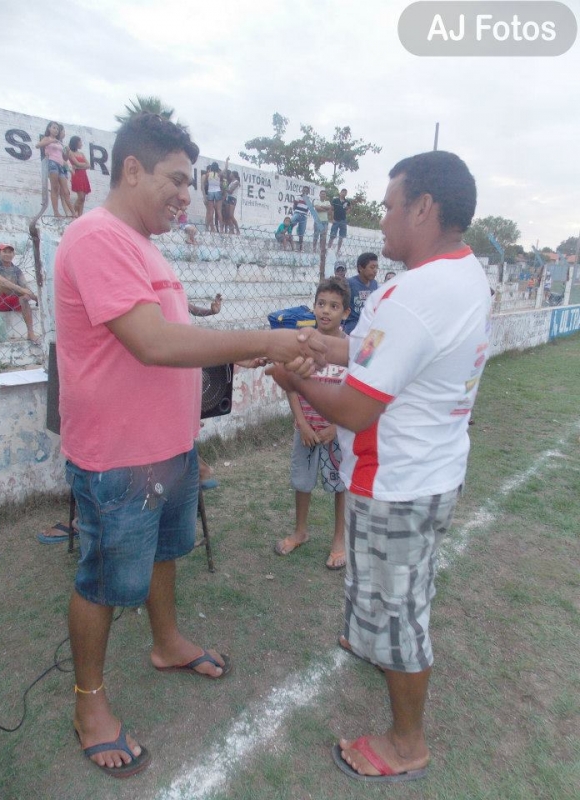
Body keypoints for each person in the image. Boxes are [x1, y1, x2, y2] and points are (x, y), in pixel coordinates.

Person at [54, 111, 325, 778]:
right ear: (133, 169)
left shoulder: (145, 247)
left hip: (167, 447)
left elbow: (176, 345)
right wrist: (263, 340)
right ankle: (89, 701)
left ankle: (167, 642)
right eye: (177, 179)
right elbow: (155, 344)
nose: (188, 195)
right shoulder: (97, 238)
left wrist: (247, 352)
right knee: (103, 581)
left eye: (193, 182)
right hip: (118, 457)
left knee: (168, 553)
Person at [268, 150, 491, 783]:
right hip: (430, 470)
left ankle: (406, 743)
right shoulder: (459, 273)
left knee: (401, 610)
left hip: (397, 480)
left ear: (425, 208)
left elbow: (358, 409)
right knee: (393, 590)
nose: (384, 220)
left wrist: (294, 378)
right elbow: (386, 353)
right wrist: (324, 345)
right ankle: (369, 638)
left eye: (391, 206)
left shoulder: (416, 293)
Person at [274, 278, 350, 570]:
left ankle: (338, 539)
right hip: (305, 430)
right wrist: (301, 423)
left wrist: (338, 428)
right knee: (302, 482)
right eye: (321, 304)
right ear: (314, 306)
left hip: (336, 433)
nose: (326, 311)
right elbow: (291, 386)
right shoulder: (302, 343)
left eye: (334, 306)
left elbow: (355, 392)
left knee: (340, 486)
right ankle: (300, 531)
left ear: (345, 313)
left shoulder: (349, 348)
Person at [0, 244, 40, 343]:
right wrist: (21, 290)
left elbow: (25, 286)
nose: (7, 254)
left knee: (25, 297)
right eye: (4, 251)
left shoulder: (17, 270)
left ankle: (30, 332)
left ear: (13, 254)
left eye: (10, 252)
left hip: (14, 301)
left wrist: (31, 296)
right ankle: (33, 297)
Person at [36, 121, 76, 218]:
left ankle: (73, 213)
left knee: (65, 190)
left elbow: (64, 158)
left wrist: (66, 154)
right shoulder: (47, 138)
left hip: (61, 165)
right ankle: (56, 212)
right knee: (55, 188)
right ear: (49, 128)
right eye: (54, 128)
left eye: (57, 129)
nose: (56, 130)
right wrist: (51, 141)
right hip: (52, 163)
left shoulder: (60, 143)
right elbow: (38, 145)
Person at [343, 252, 379, 334]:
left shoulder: (375, 284)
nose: (375, 271)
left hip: (370, 325)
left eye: (376, 267)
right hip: (354, 326)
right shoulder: (349, 284)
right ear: (360, 268)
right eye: (372, 267)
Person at [68, 136, 92, 217]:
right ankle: (73, 213)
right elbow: (76, 163)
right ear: (76, 143)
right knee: (80, 197)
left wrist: (78, 166)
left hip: (83, 175)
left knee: (83, 198)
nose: (81, 144)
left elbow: (89, 165)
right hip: (77, 175)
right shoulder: (70, 152)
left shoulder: (81, 153)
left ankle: (80, 216)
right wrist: (81, 165)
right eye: (80, 142)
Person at [328, 188, 351, 254]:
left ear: (346, 194)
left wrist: (346, 211)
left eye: (345, 192)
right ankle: (329, 248)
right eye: (343, 192)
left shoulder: (347, 202)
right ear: (340, 193)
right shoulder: (335, 200)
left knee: (341, 236)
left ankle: (338, 250)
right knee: (332, 235)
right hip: (336, 220)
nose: (344, 193)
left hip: (343, 220)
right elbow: (331, 209)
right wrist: (332, 219)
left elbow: (349, 209)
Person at [203, 161, 224, 233]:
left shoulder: (208, 174)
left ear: (211, 167)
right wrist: (227, 161)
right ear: (217, 168)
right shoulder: (219, 174)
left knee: (211, 211)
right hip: (218, 191)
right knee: (219, 211)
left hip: (210, 192)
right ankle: (221, 229)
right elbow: (226, 168)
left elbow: (204, 184)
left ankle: (209, 228)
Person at [290, 187, 310, 251]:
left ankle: (300, 248)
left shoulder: (308, 199)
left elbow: (308, 209)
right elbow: (294, 205)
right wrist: (296, 211)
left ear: (308, 192)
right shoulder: (298, 197)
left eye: (306, 191)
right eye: (304, 190)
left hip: (304, 216)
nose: (305, 191)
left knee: (302, 232)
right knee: (291, 222)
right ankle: (288, 235)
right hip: (297, 213)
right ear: (302, 191)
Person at [223, 165, 241, 235]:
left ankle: (237, 229)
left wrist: (225, 188)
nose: (230, 175)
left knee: (231, 215)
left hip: (233, 198)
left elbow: (231, 191)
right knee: (228, 215)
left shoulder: (236, 182)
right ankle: (231, 229)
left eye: (231, 174)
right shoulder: (231, 182)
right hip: (228, 198)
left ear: (233, 175)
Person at [313, 189, 332, 254]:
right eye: (322, 194)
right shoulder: (316, 201)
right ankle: (314, 249)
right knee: (316, 235)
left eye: (324, 194)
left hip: (325, 221)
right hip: (318, 221)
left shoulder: (328, 202)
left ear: (325, 195)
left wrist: (321, 207)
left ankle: (321, 250)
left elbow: (329, 208)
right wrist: (325, 209)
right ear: (319, 195)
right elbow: (317, 209)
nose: (323, 195)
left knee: (323, 236)